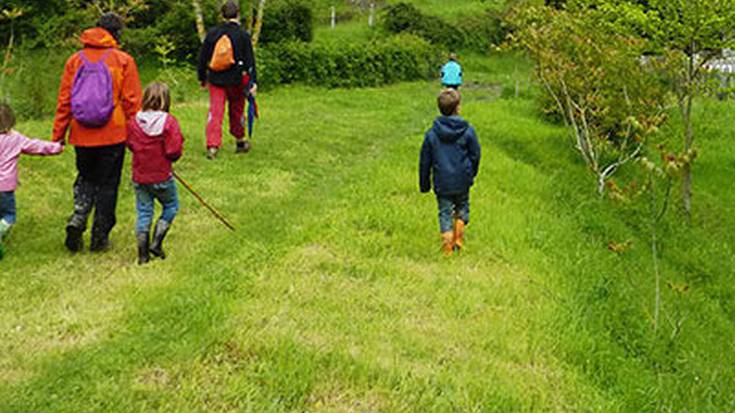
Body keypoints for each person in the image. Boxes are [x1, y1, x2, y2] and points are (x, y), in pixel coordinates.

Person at [52, 12, 142, 253]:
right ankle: (100, 236)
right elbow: (132, 102)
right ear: (117, 34)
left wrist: (58, 135)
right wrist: (139, 138)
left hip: (81, 134)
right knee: (108, 184)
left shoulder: (75, 60)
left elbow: (64, 101)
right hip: (113, 133)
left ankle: (79, 216)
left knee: (86, 177)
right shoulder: (123, 60)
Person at [126, 83, 184, 265]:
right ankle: (157, 242)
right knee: (171, 206)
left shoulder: (133, 121)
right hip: (162, 176)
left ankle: (143, 254)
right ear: (166, 100)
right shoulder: (169, 122)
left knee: (144, 211)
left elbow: (130, 144)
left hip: (140, 176)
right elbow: (173, 151)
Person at [419, 89, 481, 255]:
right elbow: (475, 155)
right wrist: (471, 173)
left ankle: (447, 246)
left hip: (442, 181)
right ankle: (458, 238)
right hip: (462, 180)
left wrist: (425, 184)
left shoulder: (432, 134)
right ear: (458, 107)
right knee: (463, 208)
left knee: (445, 213)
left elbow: (425, 161)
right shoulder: (468, 130)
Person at [0, 104, 64, 260]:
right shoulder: (15, 138)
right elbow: (37, 146)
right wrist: (57, 147)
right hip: (5, 187)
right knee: (9, 215)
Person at [198, 0, 258, 160]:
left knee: (215, 112)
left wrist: (202, 78)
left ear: (222, 15)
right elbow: (250, 61)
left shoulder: (212, 33)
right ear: (238, 14)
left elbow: (203, 58)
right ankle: (240, 141)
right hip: (237, 80)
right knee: (237, 110)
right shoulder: (243, 35)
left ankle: (212, 146)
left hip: (216, 79)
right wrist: (253, 82)